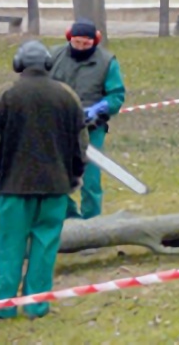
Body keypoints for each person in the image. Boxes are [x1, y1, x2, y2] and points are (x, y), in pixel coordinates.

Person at [0, 40, 89, 319]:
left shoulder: (6, 95)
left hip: (14, 187)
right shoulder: (68, 96)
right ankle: (37, 304)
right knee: (45, 247)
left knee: (10, 247)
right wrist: (74, 175)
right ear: (48, 64)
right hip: (55, 187)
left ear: (19, 65)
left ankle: (2, 306)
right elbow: (80, 144)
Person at [49, 18, 126, 220]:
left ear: (95, 42)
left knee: (90, 180)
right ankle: (70, 218)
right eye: (77, 43)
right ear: (69, 38)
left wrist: (99, 108)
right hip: (58, 129)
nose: (81, 48)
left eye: (86, 44)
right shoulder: (53, 56)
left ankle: (92, 223)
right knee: (58, 177)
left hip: (91, 129)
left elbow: (116, 96)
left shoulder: (107, 62)